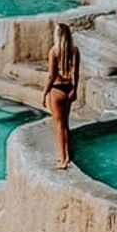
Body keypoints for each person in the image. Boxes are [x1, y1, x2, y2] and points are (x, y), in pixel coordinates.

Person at [42, 24, 81, 170]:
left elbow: (51, 75)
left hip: (57, 90)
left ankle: (62, 159)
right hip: (69, 88)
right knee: (65, 124)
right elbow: (76, 73)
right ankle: (67, 155)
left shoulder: (54, 51)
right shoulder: (75, 50)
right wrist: (75, 90)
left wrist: (45, 92)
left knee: (58, 125)